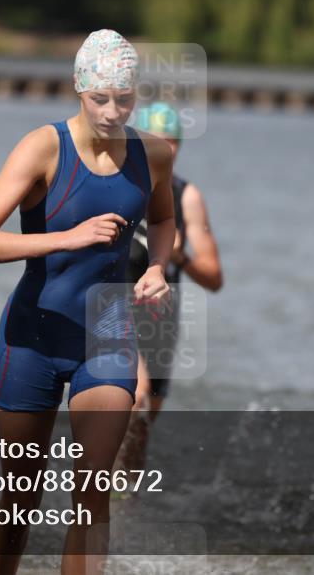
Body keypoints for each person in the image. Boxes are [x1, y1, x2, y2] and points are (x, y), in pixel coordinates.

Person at [0, 29, 176, 575]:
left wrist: (156, 267)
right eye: (100, 97)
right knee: (20, 497)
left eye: (124, 98)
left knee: (93, 495)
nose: (112, 110)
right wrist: (65, 237)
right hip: (33, 335)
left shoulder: (153, 154)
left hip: (106, 332)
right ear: (78, 86)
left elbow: (165, 219)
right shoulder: (43, 148)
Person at [116, 102, 224, 475]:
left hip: (162, 318)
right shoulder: (117, 184)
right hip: (117, 307)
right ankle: (99, 493)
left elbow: (214, 278)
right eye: (158, 140)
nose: (169, 149)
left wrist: (181, 258)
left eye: (174, 141)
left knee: (145, 420)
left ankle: (125, 498)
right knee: (136, 397)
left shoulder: (187, 197)